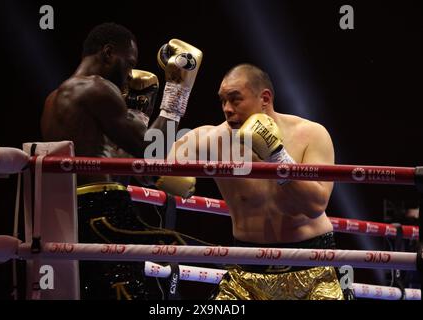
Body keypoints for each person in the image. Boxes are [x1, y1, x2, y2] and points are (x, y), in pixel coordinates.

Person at [40, 23, 203, 299]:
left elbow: (132, 166)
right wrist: (177, 91)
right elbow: (153, 153)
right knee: (180, 248)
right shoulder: (97, 89)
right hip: (102, 209)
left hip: (73, 212)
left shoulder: (54, 98)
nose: (129, 74)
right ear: (107, 53)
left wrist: (139, 116)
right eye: (128, 63)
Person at [169, 64, 344, 300]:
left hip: (312, 265)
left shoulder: (311, 134)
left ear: (265, 98)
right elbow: (152, 167)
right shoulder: (211, 140)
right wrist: (175, 94)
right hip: (246, 270)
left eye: (235, 99)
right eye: (222, 101)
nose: (227, 109)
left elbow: (315, 206)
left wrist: (277, 157)